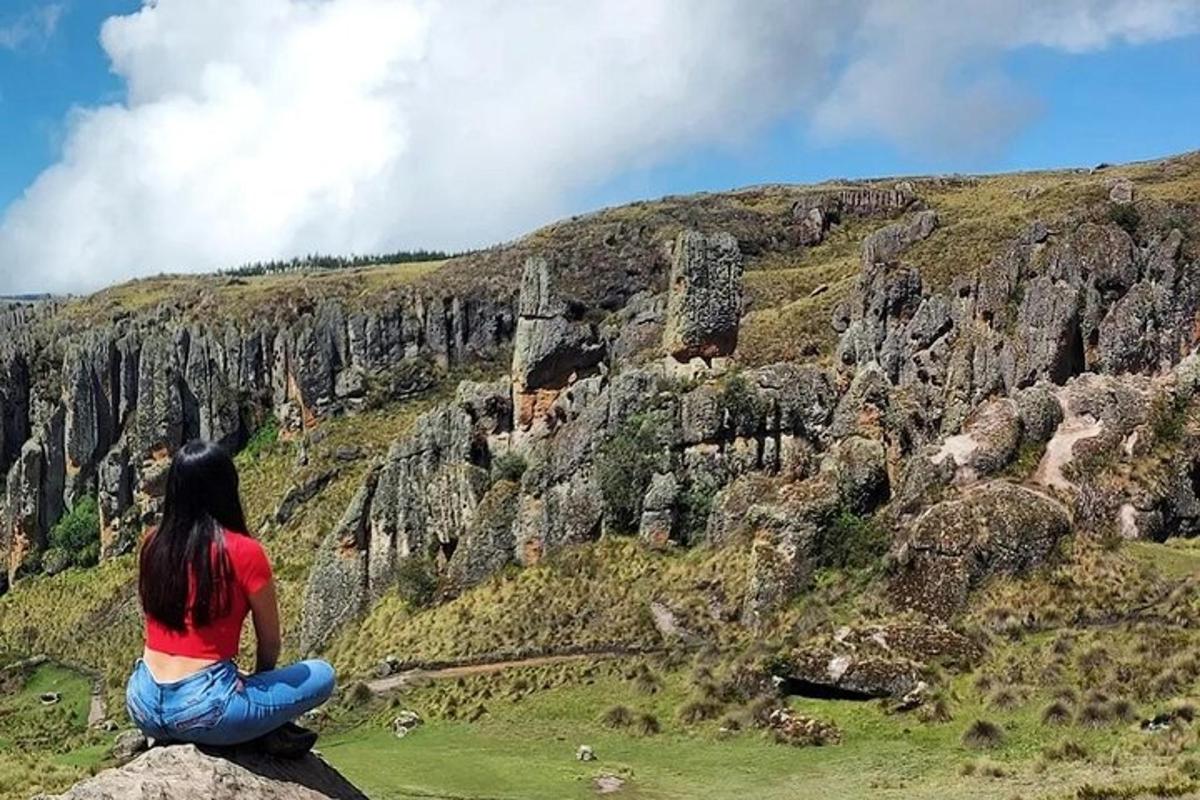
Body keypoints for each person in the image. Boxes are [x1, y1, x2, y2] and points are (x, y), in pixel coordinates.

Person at [125, 439, 335, 752]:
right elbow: (270, 643)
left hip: (142, 702)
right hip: (204, 709)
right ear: (226, 488)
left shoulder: (153, 544)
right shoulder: (245, 552)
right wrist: (261, 692)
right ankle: (261, 732)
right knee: (322, 674)